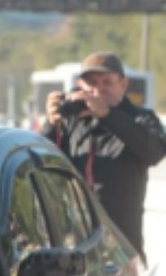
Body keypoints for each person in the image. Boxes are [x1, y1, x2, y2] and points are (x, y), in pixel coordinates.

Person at [41, 51, 166, 257]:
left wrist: (108, 115)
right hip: (75, 247)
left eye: (107, 83)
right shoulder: (72, 118)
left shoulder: (140, 118)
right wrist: (50, 125)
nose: (98, 90)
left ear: (123, 85)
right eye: (91, 83)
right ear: (80, 86)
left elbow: (154, 152)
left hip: (122, 248)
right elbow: (41, 163)